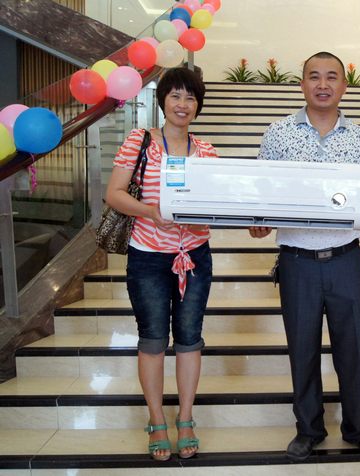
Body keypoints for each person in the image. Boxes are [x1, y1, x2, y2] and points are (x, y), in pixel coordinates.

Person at [249, 51, 360, 462]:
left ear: (344, 86)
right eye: (314, 76)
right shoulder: (278, 133)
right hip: (297, 261)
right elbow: (261, 188)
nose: (323, 84)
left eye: (332, 77)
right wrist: (258, 220)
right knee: (303, 349)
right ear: (302, 84)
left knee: (354, 349)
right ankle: (308, 429)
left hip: (347, 259)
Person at [105, 67, 217, 461]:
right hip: (148, 256)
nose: (183, 104)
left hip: (194, 257)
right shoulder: (140, 141)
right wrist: (151, 212)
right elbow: (114, 194)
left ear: (198, 105)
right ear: (162, 100)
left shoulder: (207, 152)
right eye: (175, 96)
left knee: (189, 339)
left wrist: (202, 218)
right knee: (153, 339)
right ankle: (156, 420)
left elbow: (211, 208)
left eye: (190, 97)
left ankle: (185, 419)